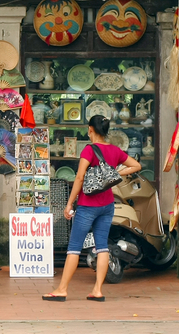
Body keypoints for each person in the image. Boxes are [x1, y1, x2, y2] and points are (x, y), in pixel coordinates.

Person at [43, 115, 141, 303]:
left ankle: (62, 289)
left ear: (90, 130)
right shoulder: (114, 150)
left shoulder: (89, 150)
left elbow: (79, 178)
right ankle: (97, 290)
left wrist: (70, 203)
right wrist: (115, 173)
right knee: (102, 247)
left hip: (88, 205)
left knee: (74, 248)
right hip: (107, 205)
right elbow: (136, 165)